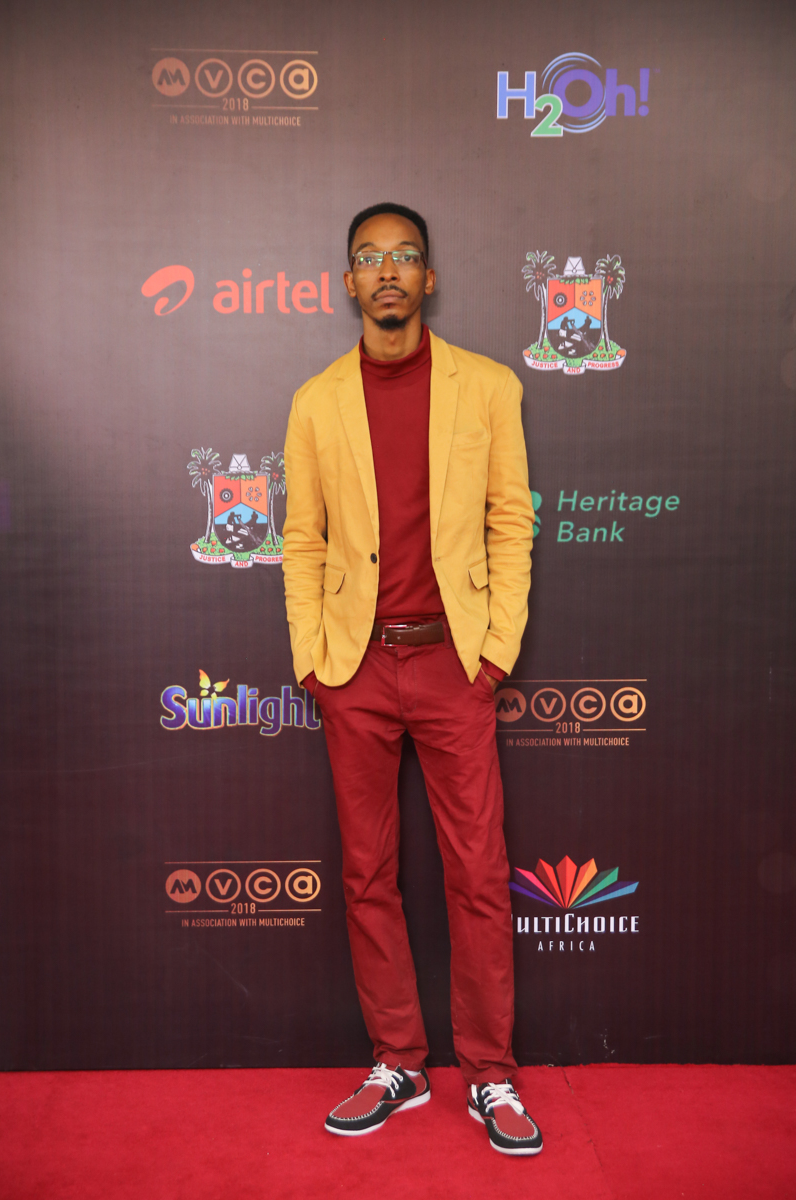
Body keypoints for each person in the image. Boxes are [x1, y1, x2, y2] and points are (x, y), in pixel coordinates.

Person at [282, 202, 540, 1156]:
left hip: (453, 662)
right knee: (367, 874)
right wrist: (314, 658)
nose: (387, 271)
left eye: (405, 257)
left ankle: (490, 1073)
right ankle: (398, 1061)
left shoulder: (490, 387)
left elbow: (510, 520)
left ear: (429, 279)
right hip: (353, 666)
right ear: (348, 281)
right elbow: (301, 539)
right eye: (369, 257)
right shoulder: (315, 402)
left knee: (477, 873)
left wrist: (496, 650)